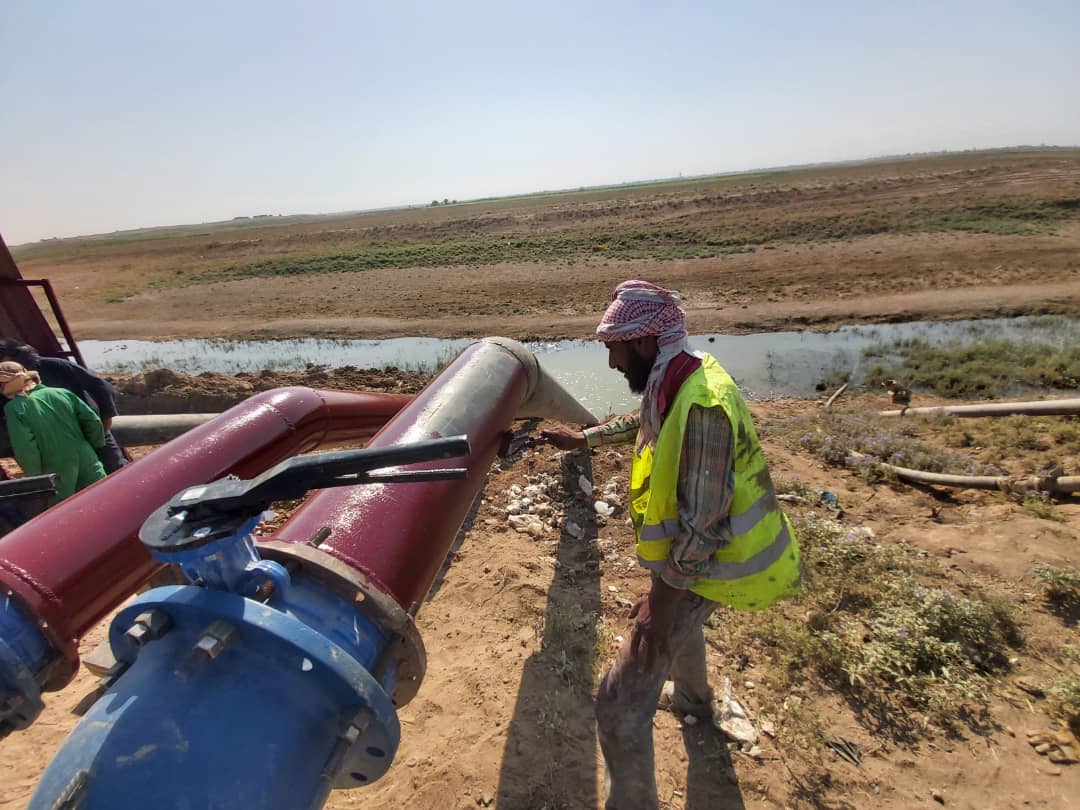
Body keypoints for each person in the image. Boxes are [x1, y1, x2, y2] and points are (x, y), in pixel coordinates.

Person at [540, 280, 801, 810]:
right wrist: (585, 438)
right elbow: (647, 420)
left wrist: (658, 609)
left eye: (615, 349)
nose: (612, 362)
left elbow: (702, 529)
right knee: (681, 621)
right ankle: (694, 701)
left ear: (642, 342)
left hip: (720, 561)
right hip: (705, 560)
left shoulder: (702, 406)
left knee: (617, 705)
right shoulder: (681, 374)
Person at [0, 340, 127, 472]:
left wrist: (105, 420)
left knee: (116, 471)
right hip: (55, 442)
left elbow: (101, 387)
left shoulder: (57, 367)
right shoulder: (4, 383)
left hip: (86, 430)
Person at [0, 361, 106, 504]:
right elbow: (93, 421)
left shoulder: (14, 408)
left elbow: (25, 447)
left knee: (63, 510)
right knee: (103, 499)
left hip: (55, 467)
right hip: (87, 457)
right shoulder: (61, 393)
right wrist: (93, 444)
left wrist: (35, 476)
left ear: (8, 383)